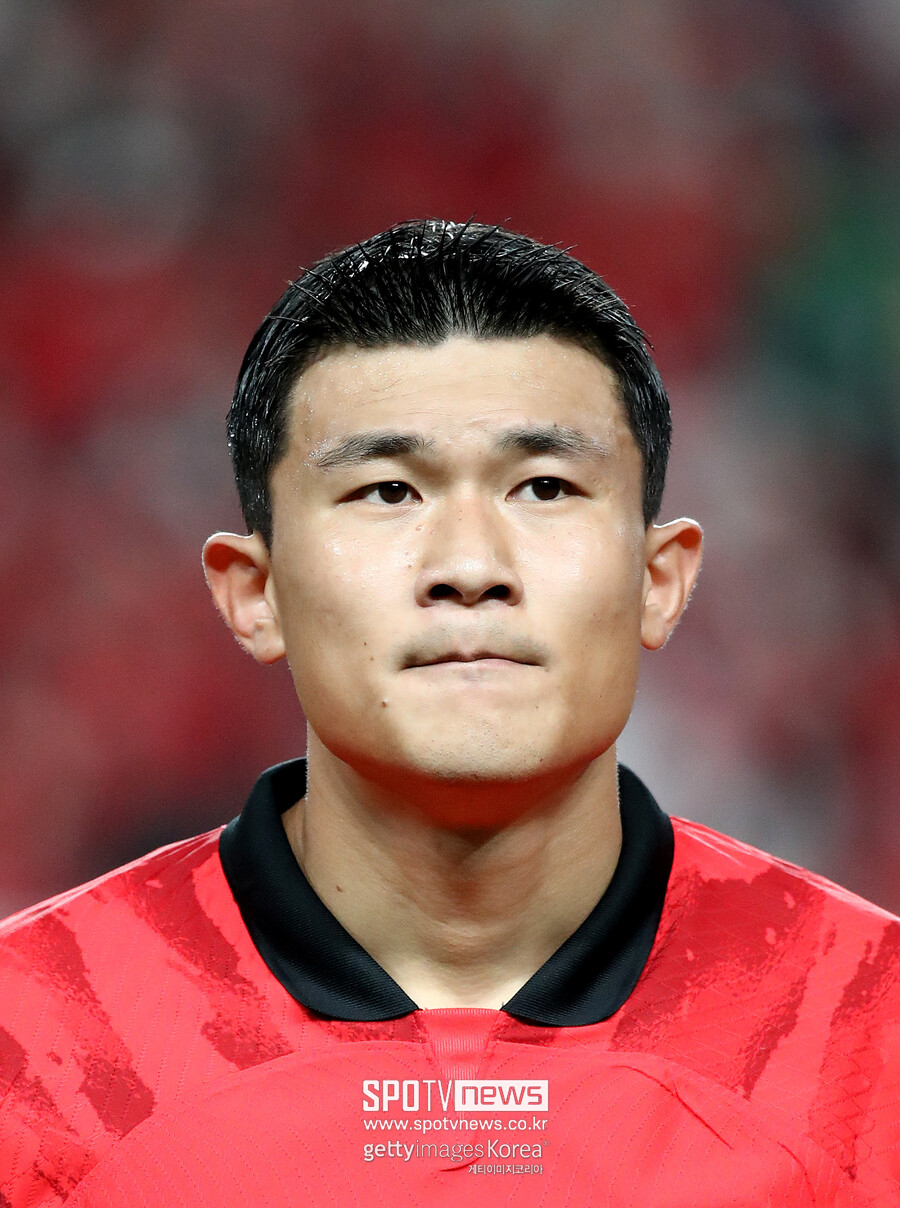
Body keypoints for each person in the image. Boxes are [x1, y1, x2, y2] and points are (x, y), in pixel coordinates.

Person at [1, 220, 897, 1207]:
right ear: (255, 592)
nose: (470, 567)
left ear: (659, 580)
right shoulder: (28, 1053)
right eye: (387, 490)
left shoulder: (875, 1042)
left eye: (544, 487)